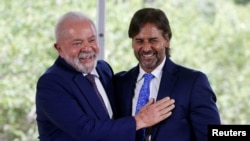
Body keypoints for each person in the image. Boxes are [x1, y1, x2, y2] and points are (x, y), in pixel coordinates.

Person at [35, 11, 175, 141]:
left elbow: (115, 122)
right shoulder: (51, 83)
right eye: (77, 43)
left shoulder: (103, 70)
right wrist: (140, 120)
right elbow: (86, 131)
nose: (87, 48)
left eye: (91, 40)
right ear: (59, 48)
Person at [114, 8, 221, 141]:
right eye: (139, 41)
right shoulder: (119, 82)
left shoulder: (193, 83)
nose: (146, 48)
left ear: (167, 40)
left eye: (153, 40)